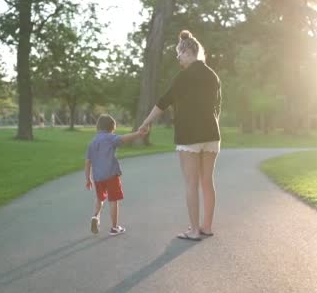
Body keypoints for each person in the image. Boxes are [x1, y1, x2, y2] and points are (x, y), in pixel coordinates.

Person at [139, 30, 221, 241]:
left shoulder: (183, 77)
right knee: (207, 182)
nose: (178, 58)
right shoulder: (213, 76)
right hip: (212, 135)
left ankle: (194, 231)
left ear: (189, 51)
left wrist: (146, 122)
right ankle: (207, 227)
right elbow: (217, 108)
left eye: (179, 53)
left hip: (189, 136)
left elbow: (162, 102)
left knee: (191, 183)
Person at [85, 114, 145, 235]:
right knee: (114, 200)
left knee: (100, 198)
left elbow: (87, 162)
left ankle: (95, 216)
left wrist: (88, 178)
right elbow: (123, 138)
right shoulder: (110, 138)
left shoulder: (92, 142)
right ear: (111, 128)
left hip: (98, 177)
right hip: (111, 175)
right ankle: (114, 227)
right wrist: (138, 134)